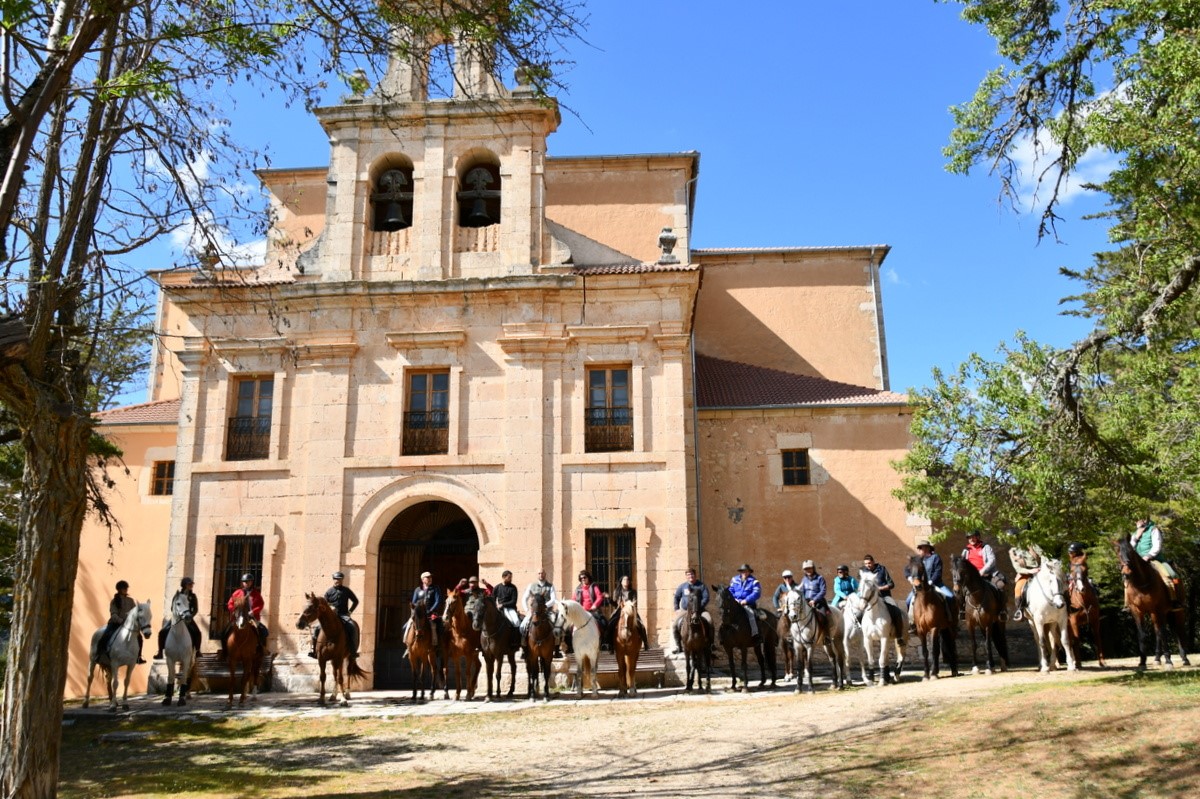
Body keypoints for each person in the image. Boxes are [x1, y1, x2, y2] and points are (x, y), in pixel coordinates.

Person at [309, 570, 360, 658]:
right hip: (331, 616)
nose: (337, 581)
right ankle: (314, 651)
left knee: (352, 627)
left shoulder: (346, 591)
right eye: (336, 579)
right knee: (316, 629)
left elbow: (355, 601)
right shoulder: (329, 592)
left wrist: (350, 612)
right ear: (333, 580)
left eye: (339, 579)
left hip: (344, 615)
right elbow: (324, 604)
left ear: (342, 580)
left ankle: (353, 650)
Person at [98, 580, 144, 664]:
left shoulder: (131, 601)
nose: (126, 589)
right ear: (119, 589)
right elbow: (113, 614)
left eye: (126, 588)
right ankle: (100, 655)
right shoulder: (115, 601)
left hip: (128, 625)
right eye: (124, 588)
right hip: (116, 623)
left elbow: (135, 612)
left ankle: (138, 657)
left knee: (139, 638)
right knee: (106, 635)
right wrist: (121, 621)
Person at [522, 568, 564, 655]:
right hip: (534, 612)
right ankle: (525, 648)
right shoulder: (531, 586)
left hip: (547, 611)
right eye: (539, 573)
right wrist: (526, 610)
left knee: (557, 626)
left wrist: (545, 606)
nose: (541, 575)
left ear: (545, 574)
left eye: (542, 573)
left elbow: (553, 599)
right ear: (537, 575)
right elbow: (524, 598)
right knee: (523, 626)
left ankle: (556, 649)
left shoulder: (550, 586)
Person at [156, 576, 201, 658]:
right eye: (189, 584)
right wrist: (179, 615)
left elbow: (195, 609)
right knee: (162, 632)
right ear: (184, 585)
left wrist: (191, 616)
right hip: (177, 618)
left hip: (188, 618)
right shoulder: (177, 596)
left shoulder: (193, 596)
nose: (191, 585)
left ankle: (198, 651)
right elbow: (172, 607)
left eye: (191, 584)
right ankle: (160, 652)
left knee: (197, 632)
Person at [1132, 518, 1179, 596]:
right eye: (1137, 519)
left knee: (1171, 574)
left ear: (1145, 520)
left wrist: (1148, 556)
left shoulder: (1153, 529)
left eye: (1141, 519)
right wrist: (1136, 537)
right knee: (1127, 578)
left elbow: (1157, 546)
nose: (1138, 521)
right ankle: (1128, 605)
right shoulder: (1134, 534)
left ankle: (1175, 599)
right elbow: (1130, 548)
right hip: (1139, 562)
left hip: (1154, 559)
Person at [671, 567, 711, 654]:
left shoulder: (701, 586)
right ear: (686, 576)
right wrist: (677, 609)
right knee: (674, 625)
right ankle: (678, 646)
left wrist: (699, 606)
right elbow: (676, 597)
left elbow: (706, 597)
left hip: (700, 610)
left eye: (692, 574)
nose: (691, 576)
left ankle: (710, 644)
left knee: (710, 621)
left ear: (695, 575)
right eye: (688, 575)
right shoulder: (682, 587)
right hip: (686, 611)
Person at [225, 573, 268, 652]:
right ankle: (225, 650)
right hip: (237, 617)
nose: (247, 583)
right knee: (226, 631)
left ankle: (261, 648)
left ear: (252, 582)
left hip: (251, 617)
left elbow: (260, 604)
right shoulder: (237, 593)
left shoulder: (256, 594)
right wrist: (234, 611)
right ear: (242, 583)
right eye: (245, 582)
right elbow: (230, 604)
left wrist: (253, 611)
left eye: (249, 581)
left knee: (263, 631)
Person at [605, 575, 649, 651]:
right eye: (624, 580)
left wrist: (628, 605)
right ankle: (609, 644)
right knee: (611, 624)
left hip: (631, 610)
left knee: (641, 625)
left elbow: (635, 602)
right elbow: (615, 604)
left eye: (628, 580)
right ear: (621, 582)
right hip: (620, 610)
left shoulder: (633, 592)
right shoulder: (617, 591)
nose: (626, 581)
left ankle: (645, 643)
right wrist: (609, 599)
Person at [1009, 543, 1045, 621]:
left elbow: (1043, 556)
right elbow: (1017, 568)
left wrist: (1042, 567)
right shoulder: (1013, 551)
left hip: (1040, 570)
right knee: (1018, 588)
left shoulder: (1034, 546)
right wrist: (1030, 571)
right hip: (1025, 573)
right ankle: (1020, 610)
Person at [408, 570, 442, 648]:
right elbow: (414, 602)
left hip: (432, 613)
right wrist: (416, 611)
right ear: (422, 579)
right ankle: (408, 646)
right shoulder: (417, 590)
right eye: (427, 577)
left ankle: (437, 646)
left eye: (430, 577)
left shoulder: (435, 588)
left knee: (438, 628)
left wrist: (431, 611)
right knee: (407, 626)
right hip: (419, 614)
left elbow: (438, 601)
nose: (430, 578)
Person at [729, 563, 762, 640]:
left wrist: (746, 600)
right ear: (740, 572)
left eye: (746, 571)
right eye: (743, 571)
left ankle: (755, 634)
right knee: (726, 614)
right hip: (735, 603)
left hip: (748, 604)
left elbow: (756, 593)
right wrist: (734, 599)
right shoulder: (734, 579)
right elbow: (730, 590)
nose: (745, 573)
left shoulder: (754, 581)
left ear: (749, 572)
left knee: (751, 614)